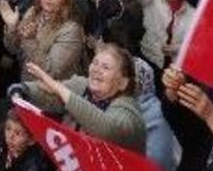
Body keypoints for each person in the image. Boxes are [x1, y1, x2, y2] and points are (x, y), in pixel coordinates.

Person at [16, 42, 146, 154]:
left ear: (123, 83)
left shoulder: (129, 112)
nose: (96, 70)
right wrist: (24, 90)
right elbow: (49, 94)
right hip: (70, 170)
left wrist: (59, 88)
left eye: (105, 67)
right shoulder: (81, 85)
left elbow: (107, 129)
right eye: (95, 63)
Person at [1, 0, 85, 84]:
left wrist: (30, 40)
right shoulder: (33, 13)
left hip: (52, 91)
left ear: (65, 0)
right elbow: (13, 49)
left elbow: (51, 71)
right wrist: (12, 27)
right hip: (27, 83)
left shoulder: (71, 29)